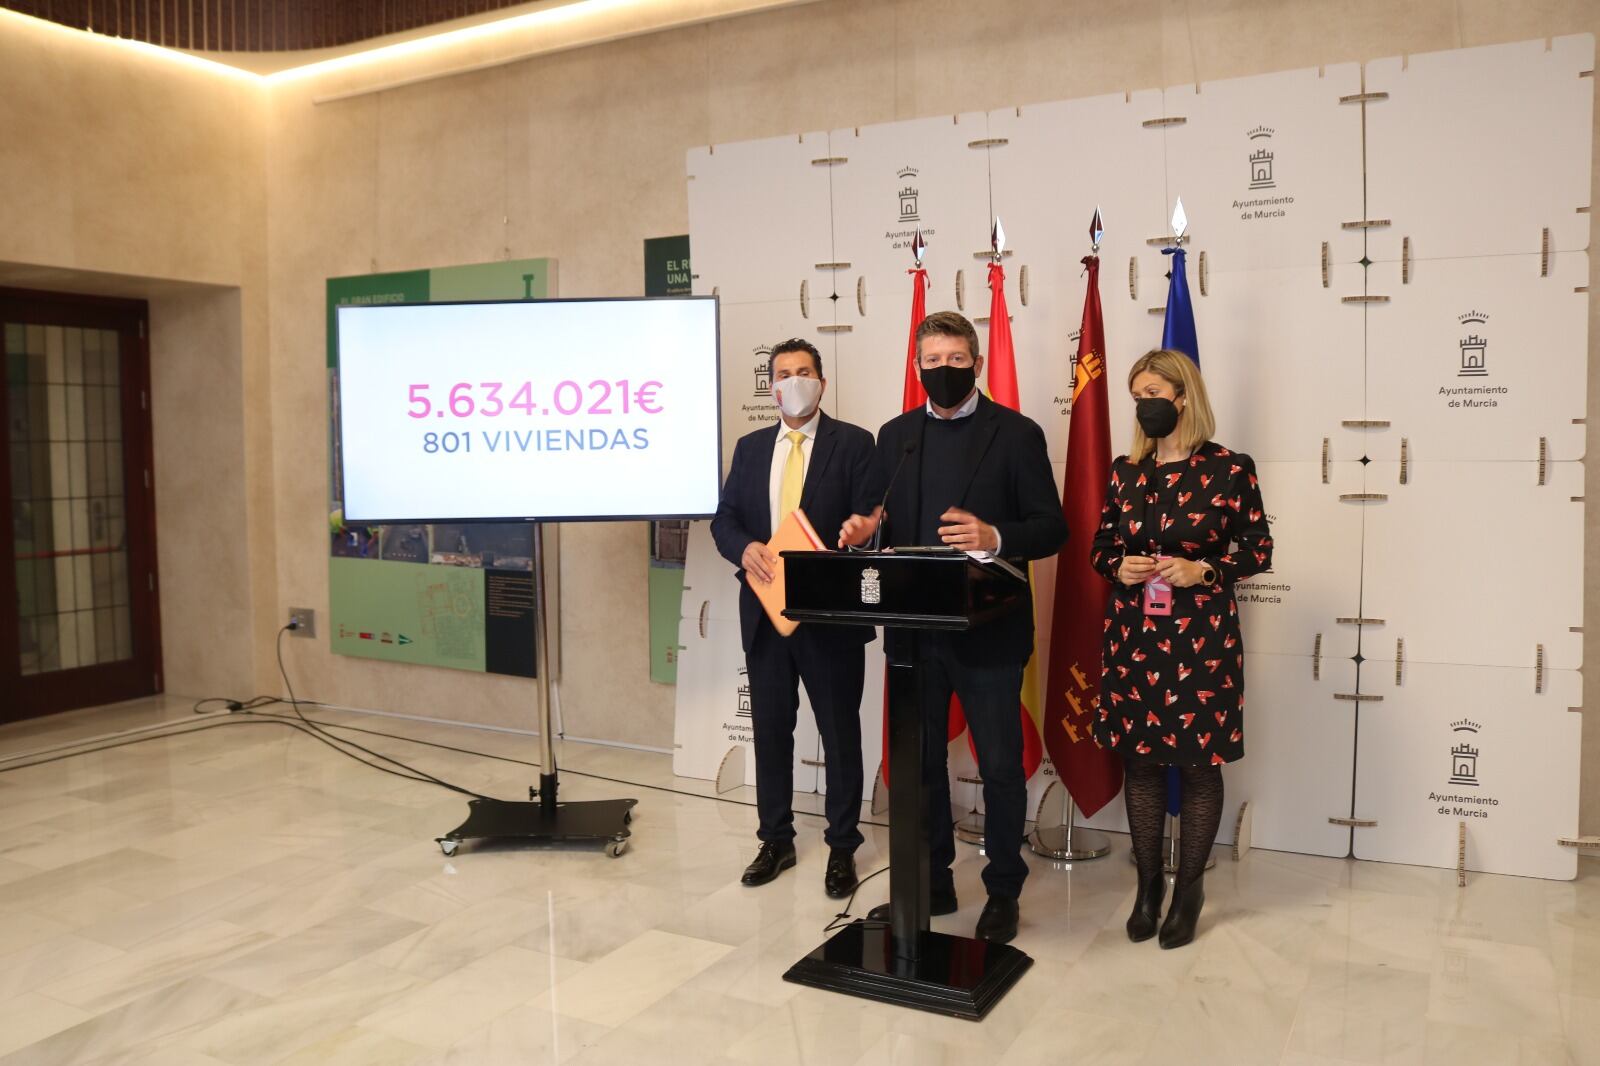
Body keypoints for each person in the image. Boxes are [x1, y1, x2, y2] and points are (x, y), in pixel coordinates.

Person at [840, 310, 1068, 945]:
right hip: (914, 631)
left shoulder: (1017, 434)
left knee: (999, 764)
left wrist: (996, 536)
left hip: (989, 632)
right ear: (918, 366)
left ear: (978, 363)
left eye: (956, 360)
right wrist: (869, 530)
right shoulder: (897, 434)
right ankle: (930, 881)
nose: (944, 371)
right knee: (919, 766)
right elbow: (890, 520)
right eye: (932, 362)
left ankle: (1002, 889)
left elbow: (1052, 529)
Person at [1090, 348, 1273, 949]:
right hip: (1133, 637)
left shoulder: (1228, 468)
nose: (1144, 404)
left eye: (1153, 393)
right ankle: (1148, 888)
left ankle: (1189, 889)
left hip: (1201, 642)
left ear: (1183, 398)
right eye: (1136, 394)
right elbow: (1099, 548)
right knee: (1141, 763)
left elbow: (1258, 549)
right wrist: (1121, 566)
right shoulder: (1125, 471)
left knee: (1198, 766)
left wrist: (1205, 571)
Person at [711, 337, 877, 899]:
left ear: (821, 382)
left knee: (839, 731)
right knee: (771, 731)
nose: (794, 381)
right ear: (772, 385)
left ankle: (842, 846)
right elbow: (725, 519)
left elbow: (871, 518)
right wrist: (744, 548)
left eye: (804, 372)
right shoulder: (751, 447)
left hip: (829, 615)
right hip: (765, 612)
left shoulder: (854, 443)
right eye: (783, 373)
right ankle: (775, 839)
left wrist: (862, 531)